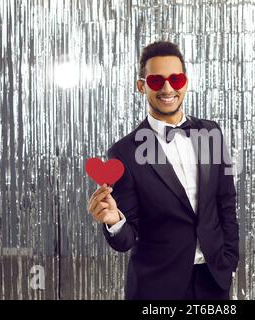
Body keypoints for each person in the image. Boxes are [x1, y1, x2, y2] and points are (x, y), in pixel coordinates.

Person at [87, 41, 239, 300]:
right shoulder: (124, 152)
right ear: (141, 86)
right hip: (156, 286)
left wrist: (229, 260)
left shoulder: (211, 133)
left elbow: (225, 202)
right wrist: (114, 220)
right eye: (156, 81)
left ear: (186, 83)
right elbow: (126, 240)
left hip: (213, 280)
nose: (168, 88)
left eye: (176, 79)